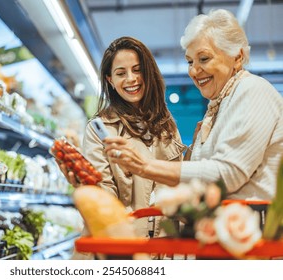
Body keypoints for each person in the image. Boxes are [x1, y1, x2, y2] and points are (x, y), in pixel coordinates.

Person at [104, 9, 283, 202]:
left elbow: (229, 174)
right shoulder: (218, 108)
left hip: (254, 228)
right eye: (190, 61)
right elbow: (199, 180)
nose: (194, 71)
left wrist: (145, 166)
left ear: (237, 57)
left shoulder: (252, 90)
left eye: (204, 59)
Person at [58, 36, 186, 259]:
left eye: (137, 70)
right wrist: (85, 184)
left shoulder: (167, 126)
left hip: (164, 249)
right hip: (120, 249)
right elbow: (103, 196)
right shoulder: (100, 129)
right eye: (120, 73)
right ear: (110, 80)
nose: (131, 79)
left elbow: (177, 183)